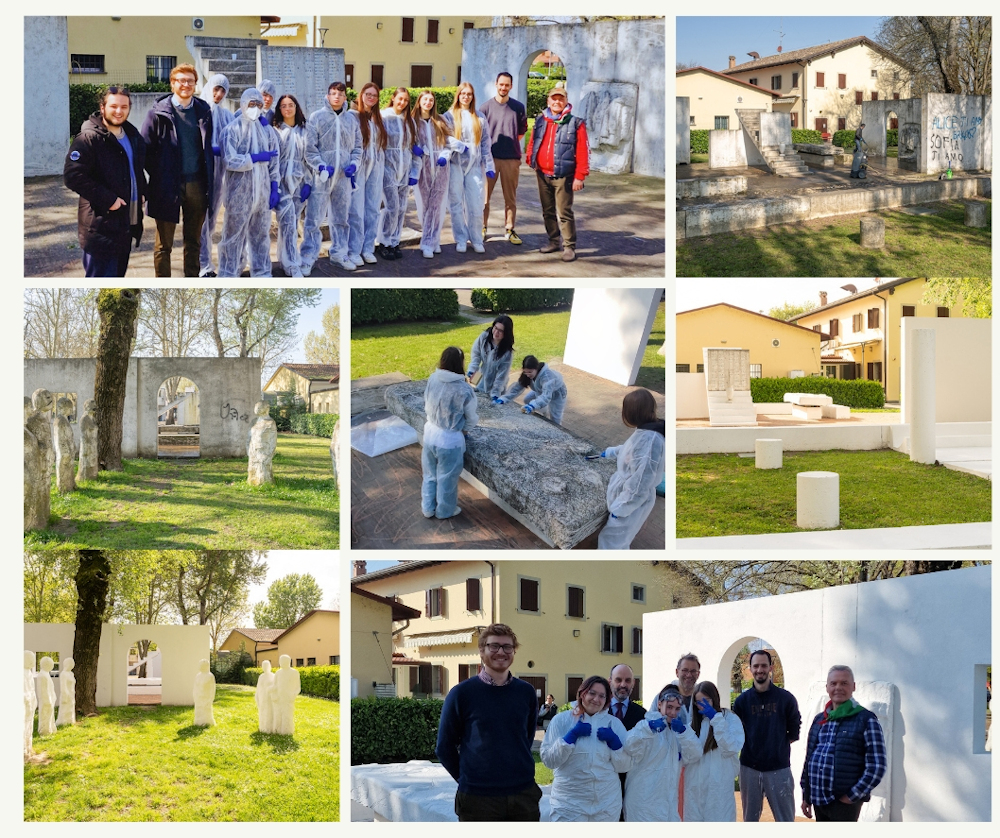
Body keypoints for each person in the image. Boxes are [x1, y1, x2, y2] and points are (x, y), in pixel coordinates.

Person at [436, 623, 542, 821]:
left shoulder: (526, 692)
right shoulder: (461, 694)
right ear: (481, 651)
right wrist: (468, 779)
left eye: (507, 647)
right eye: (494, 646)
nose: (501, 652)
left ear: (514, 651)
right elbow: (444, 747)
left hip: (523, 793)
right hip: (478, 799)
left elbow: (525, 738)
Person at [141, 63, 214, 277]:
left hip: (197, 184)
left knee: (194, 240)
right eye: (181, 81)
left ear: (195, 85)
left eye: (190, 81)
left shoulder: (203, 110)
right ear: (172, 84)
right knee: (164, 243)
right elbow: (145, 150)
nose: (186, 85)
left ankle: (191, 279)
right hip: (167, 186)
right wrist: (161, 174)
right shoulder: (157, 112)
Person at [64, 85, 146, 277]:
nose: (119, 111)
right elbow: (72, 176)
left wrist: (142, 192)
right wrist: (108, 199)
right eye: (114, 106)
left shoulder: (133, 136)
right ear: (103, 108)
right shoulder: (89, 138)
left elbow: (136, 170)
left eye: (124, 107)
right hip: (101, 229)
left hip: (125, 227)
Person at [801, 665, 887, 822]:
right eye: (833, 683)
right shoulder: (820, 719)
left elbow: (877, 766)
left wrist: (852, 796)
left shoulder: (866, 720)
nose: (838, 687)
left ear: (853, 687)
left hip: (844, 803)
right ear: (827, 687)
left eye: (844, 683)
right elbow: (809, 758)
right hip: (819, 800)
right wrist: (806, 795)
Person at [541, 675, 631, 821]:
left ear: (607, 700)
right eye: (592, 693)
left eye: (602, 696)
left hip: (606, 805)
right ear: (582, 693)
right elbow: (549, 761)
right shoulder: (562, 720)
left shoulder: (614, 725)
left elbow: (625, 766)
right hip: (569, 805)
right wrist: (569, 738)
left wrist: (616, 744)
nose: (596, 699)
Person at [732, 649, 802, 822]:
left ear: (771, 667)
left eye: (764, 665)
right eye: (756, 666)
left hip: (779, 768)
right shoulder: (742, 701)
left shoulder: (786, 699)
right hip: (749, 769)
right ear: (750, 669)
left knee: (785, 820)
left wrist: (775, 746)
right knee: (750, 820)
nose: (760, 669)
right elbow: (735, 732)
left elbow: (794, 730)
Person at [217, 88, 280, 277]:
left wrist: (274, 188)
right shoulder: (232, 129)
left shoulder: (267, 132)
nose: (255, 108)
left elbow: (274, 164)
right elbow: (229, 160)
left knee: (261, 236)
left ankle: (261, 272)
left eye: (258, 104)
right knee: (233, 236)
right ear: (243, 104)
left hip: (262, 195)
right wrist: (255, 157)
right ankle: (229, 272)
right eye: (251, 104)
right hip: (239, 195)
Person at [301, 81, 362, 274]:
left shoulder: (352, 120)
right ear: (327, 96)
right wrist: (320, 165)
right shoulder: (316, 117)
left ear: (345, 97)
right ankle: (308, 257)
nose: (336, 96)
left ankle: (338, 253)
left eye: (340, 94)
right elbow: (310, 148)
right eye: (333, 93)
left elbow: (358, 148)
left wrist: (354, 164)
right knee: (314, 218)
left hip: (343, 176)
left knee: (341, 218)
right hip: (322, 176)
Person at [528, 81, 589, 262]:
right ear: (548, 101)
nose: (556, 102)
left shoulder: (575, 123)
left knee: (564, 212)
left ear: (566, 101)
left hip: (564, 175)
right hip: (542, 173)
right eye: (553, 99)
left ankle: (569, 247)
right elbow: (533, 140)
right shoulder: (540, 120)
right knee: (547, 211)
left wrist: (580, 176)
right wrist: (531, 157)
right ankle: (553, 241)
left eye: (560, 99)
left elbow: (583, 151)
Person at [596, 388, 665, 549]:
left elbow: (640, 483)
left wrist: (621, 509)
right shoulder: (648, 429)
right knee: (618, 536)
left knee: (612, 541)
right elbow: (632, 448)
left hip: (633, 502)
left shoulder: (650, 441)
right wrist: (612, 452)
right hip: (630, 496)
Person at [622, 684, 698, 821]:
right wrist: (648, 729)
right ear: (659, 704)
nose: (673, 713)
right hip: (642, 804)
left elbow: (694, 754)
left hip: (668, 804)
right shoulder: (644, 726)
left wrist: (684, 733)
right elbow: (629, 745)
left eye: (677, 709)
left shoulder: (678, 733)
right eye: (669, 707)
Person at [421, 346, 478, 520]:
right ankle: (444, 511)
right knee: (447, 479)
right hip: (450, 440)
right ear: (460, 363)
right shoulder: (464, 389)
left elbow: (426, 402)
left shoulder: (432, 378)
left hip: (430, 433)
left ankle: (427, 508)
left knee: (429, 475)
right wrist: (465, 430)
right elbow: (471, 417)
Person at [443, 82, 495, 254]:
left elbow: (486, 143)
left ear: (473, 97)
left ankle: (476, 238)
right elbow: (444, 138)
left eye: (469, 94)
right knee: (456, 203)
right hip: (455, 165)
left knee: (476, 203)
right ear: (458, 95)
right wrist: (459, 146)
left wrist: (489, 164)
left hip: (474, 166)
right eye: (463, 93)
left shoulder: (479, 117)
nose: (466, 97)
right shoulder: (449, 116)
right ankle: (460, 238)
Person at [682, 680, 745, 822]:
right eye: (698, 702)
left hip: (719, 792)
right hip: (695, 793)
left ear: (714, 698)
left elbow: (730, 748)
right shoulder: (693, 723)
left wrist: (716, 720)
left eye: (706, 700)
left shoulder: (729, 719)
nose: (702, 705)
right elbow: (688, 758)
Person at [412, 90, 464, 259]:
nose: (428, 102)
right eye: (425, 99)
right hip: (422, 168)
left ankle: (428, 243)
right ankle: (432, 240)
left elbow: (448, 143)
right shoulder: (413, 121)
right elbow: (407, 141)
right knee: (424, 206)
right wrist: (414, 148)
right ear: (419, 101)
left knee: (436, 205)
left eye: (431, 100)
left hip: (441, 168)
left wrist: (445, 155)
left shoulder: (440, 120)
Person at [481, 71, 527, 245]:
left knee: (511, 198)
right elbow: (481, 133)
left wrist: (509, 144)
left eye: (507, 85)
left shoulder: (518, 107)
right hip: (489, 159)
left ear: (511, 86)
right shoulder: (485, 108)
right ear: (496, 84)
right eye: (501, 84)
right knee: (484, 198)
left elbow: (522, 132)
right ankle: (482, 227)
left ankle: (509, 229)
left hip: (511, 159)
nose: (503, 87)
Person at [375, 87, 418, 261]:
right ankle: (384, 242)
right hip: (388, 168)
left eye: (406, 100)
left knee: (401, 208)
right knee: (391, 206)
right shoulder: (384, 117)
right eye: (400, 99)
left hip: (404, 168)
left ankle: (394, 241)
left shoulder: (410, 121)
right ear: (393, 98)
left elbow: (413, 148)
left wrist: (414, 170)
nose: (402, 103)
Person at [347, 83, 387, 266]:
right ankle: (354, 250)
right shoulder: (352, 116)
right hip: (358, 167)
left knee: (372, 209)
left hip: (376, 168)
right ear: (361, 95)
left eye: (375, 95)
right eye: (368, 94)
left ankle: (368, 248)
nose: (371, 98)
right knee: (356, 209)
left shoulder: (378, 119)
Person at [198, 73, 233, 277]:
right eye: (216, 89)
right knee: (201, 218)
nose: (219, 94)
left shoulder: (227, 115)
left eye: (223, 90)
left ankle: (206, 261)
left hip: (219, 173)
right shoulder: (198, 110)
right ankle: (203, 265)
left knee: (211, 218)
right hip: (200, 172)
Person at [272, 93, 310, 277]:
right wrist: (274, 186)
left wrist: (308, 182)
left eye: (291, 105)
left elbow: (309, 158)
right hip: (282, 185)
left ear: (296, 107)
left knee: (293, 224)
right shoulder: (276, 131)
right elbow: (273, 162)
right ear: (279, 110)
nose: (288, 108)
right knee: (287, 224)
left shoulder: (305, 130)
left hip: (300, 183)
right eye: (284, 106)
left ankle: (286, 258)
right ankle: (292, 264)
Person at [609, 663, 646, 820]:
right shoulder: (598, 712)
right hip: (603, 783)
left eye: (627, 680)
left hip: (631, 785)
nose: (623, 685)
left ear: (633, 683)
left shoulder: (642, 715)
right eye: (618, 680)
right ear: (610, 681)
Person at [497, 355, 568, 425]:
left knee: (555, 417)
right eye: (525, 372)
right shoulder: (527, 374)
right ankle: (544, 411)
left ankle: (556, 433)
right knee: (527, 399)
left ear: (536, 368)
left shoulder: (547, 377)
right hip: (540, 390)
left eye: (530, 372)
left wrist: (533, 406)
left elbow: (546, 396)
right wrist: (504, 398)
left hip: (557, 393)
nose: (527, 375)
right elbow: (516, 388)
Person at [467, 316, 514, 400]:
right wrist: (473, 369)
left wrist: (495, 393)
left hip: (496, 385)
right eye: (495, 328)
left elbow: (501, 376)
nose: (496, 332)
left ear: (506, 333)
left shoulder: (507, 353)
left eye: (501, 331)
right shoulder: (484, 337)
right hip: (482, 378)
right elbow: (476, 354)